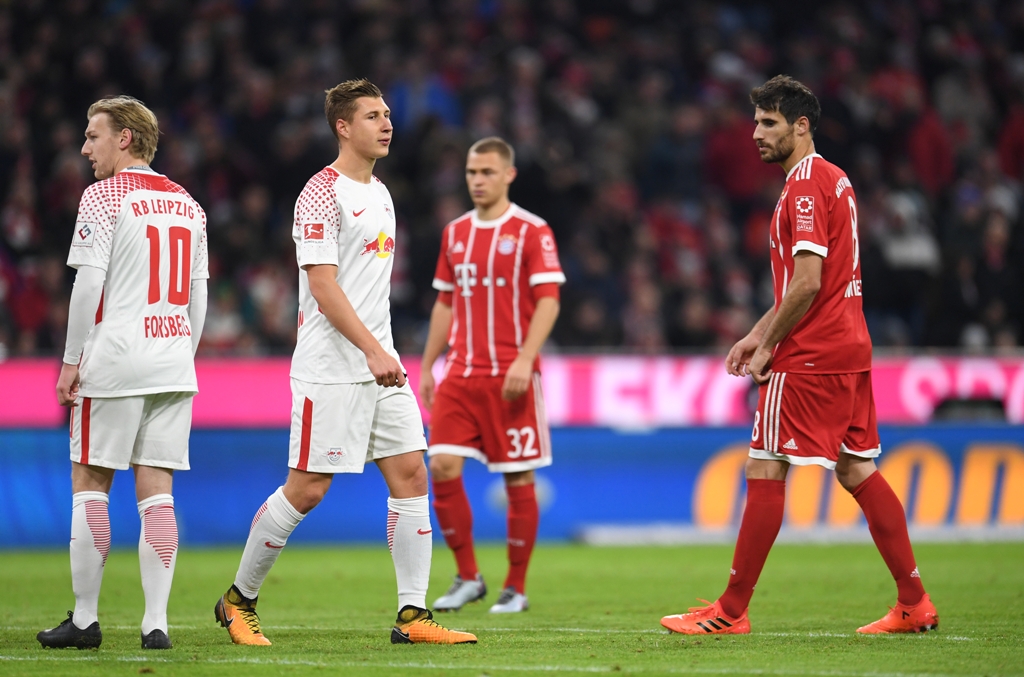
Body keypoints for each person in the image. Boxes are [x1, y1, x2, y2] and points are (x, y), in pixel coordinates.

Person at [660, 76, 939, 635]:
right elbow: (810, 282)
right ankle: (914, 603)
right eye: (756, 121)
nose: (755, 133)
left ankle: (730, 611)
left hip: (812, 352)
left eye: (768, 123)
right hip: (848, 345)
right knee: (856, 467)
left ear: (801, 125)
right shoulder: (833, 179)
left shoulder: (806, 186)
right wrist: (756, 330)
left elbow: (808, 283)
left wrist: (768, 344)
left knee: (765, 464)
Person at [213, 79, 476, 647]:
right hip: (332, 366)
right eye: (373, 116)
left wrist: (382, 351)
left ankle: (412, 616)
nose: (387, 124)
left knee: (410, 475)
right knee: (307, 489)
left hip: (381, 363)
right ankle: (238, 601)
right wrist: (373, 349)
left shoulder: (381, 193)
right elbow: (324, 287)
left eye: (387, 114)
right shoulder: (319, 193)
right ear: (342, 126)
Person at [37, 96, 209, 651]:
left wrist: (70, 361)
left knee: (91, 485)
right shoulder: (188, 202)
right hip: (172, 360)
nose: (86, 148)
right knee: (157, 494)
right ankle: (155, 623)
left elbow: (88, 286)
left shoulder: (105, 196)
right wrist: (182, 350)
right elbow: (196, 297)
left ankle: (86, 620)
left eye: (94, 136)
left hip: (114, 359)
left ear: (125, 139)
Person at [419, 137, 564, 614]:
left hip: (511, 375)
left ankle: (516, 587)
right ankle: (467, 577)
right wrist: (427, 365)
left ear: (508, 175)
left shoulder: (531, 230)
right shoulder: (455, 233)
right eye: (471, 173)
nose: (477, 180)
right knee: (440, 466)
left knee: (517, 478)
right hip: (461, 372)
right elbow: (444, 302)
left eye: (486, 172)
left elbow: (549, 299)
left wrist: (525, 358)